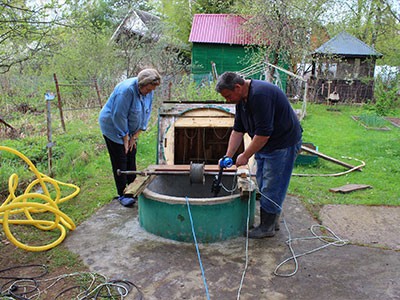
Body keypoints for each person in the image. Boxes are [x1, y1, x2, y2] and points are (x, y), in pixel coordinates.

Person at [215, 72, 302, 238]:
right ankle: (272, 219)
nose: (227, 100)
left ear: (238, 87)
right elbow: (238, 130)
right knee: (263, 180)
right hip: (266, 144)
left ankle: (267, 227)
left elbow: (263, 134)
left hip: (282, 144)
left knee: (272, 184)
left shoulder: (260, 95)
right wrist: (228, 156)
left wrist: (245, 155)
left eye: (228, 96)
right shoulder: (242, 100)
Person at [99, 68, 161, 207]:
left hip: (130, 129)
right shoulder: (125, 91)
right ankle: (122, 193)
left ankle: (132, 188)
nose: (150, 92)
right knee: (120, 158)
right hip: (113, 127)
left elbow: (147, 111)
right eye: (148, 89)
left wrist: (136, 135)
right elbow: (118, 116)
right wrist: (125, 137)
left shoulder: (148, 91)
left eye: (152, 90)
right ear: (141, 85)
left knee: (131, 154)